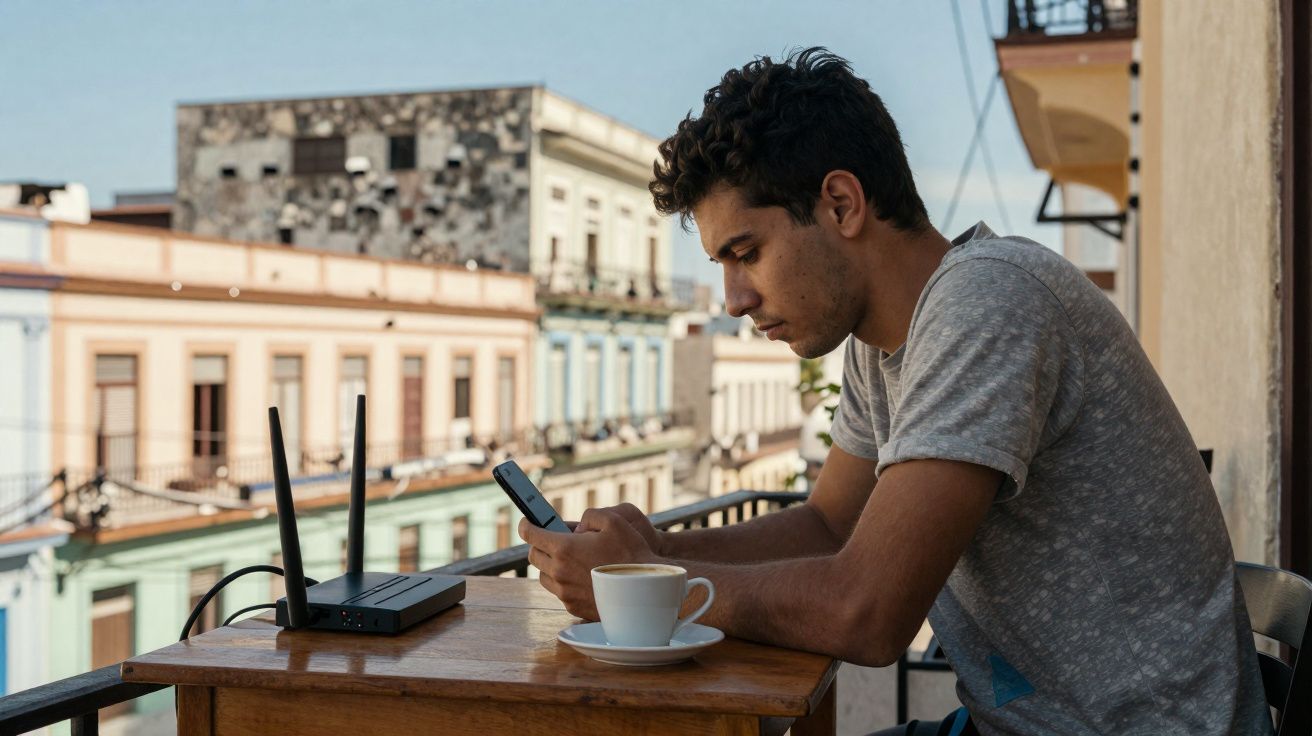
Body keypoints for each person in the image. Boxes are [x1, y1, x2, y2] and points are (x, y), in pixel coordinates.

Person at [518, 47, 1270, 735]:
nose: (733, 299)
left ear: (842, 204)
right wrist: (648, 554)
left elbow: (867, 612)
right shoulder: (888, 343)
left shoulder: (989, 303)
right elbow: (827, 526)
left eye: (746, 253)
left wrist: (650, 587)